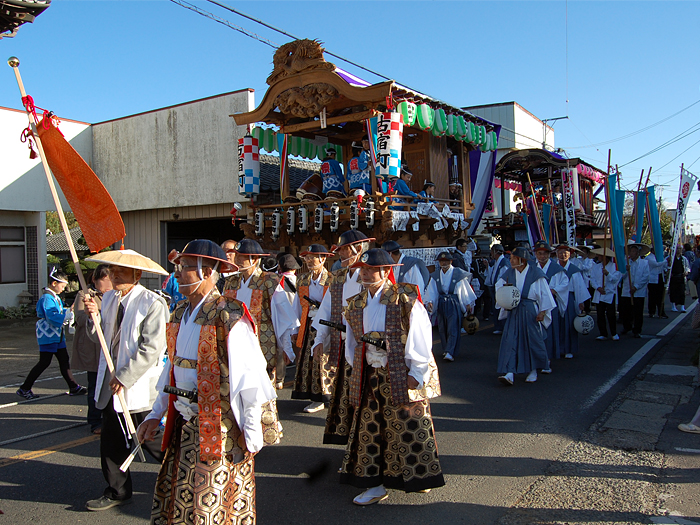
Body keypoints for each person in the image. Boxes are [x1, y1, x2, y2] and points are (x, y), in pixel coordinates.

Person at [138, 239, 276, 525]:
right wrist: (155, 413)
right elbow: (171, 370)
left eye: (185, 267)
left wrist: (251, 432)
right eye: (178, 267)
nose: (177, 273)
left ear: (207, 271)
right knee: (181, 500)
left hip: (220, 428)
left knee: (211, 504)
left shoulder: (228, 314)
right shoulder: (178, 314)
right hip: (185, 424)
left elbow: (248, 378)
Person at [340, 248, 444, 505]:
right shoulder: (355, 302)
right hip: (370, 373)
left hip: (400, 371)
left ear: (385, 271)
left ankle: (419, 477)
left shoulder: (404, 298)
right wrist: (358, 366)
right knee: (370, 428)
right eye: (362, 269)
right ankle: (374, 484)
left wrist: (416, 372)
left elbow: (420, 335)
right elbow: (351, 341)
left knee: (411, 425)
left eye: (370, 269)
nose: (364, 273)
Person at [82, 249, 170, 511]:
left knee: (150, 436)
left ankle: (182, 473)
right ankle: (117, 490)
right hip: (110, 381)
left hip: (138, 383)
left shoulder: (153, 303)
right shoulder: (109, 299)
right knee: (111, 439)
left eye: (121, 271)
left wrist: (125, 376)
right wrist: (92, 319)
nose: (114, 275)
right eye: (112, 270)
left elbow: (153, 347)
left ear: (138, 275)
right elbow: (98, 339)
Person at [311, 230, 372, 445]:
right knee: (348, 398)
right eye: (340, 250)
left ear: (358, 249)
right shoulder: (337, 277)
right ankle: (353, 447)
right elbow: (326, 310)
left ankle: (365, 446)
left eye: (346, 249)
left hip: (368, 350)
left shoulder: (371, 275)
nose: (342, 254)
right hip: (345, 345)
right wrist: (320, 338)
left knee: (367, 400)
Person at [223, 239, 300, 393]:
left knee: (261, 389)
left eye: (242, 257)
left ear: (255, 259)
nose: (238, 260)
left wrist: (286, 348)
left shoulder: (269, 281)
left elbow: (282, 316)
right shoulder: (231, 282)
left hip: (262, 341)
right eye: (237, 256)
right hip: (234, 341)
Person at [17, 268, 85, 400]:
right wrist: (67, 315)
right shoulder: (47, 298)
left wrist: (67, 313)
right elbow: (51, 316)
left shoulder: (52, 297)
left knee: (63, 360)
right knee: (44, 362)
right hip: (48, 334)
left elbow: (55, 314)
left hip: (55, 334)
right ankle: (24, 388)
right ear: (54, 283)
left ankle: (73, 386)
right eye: (63, 286)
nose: (64, 289)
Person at [495, 247, 556, 385]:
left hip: (530, 310)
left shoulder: (536, 273)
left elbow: (544, 293)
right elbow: (499, 288)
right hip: (514, 309)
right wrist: (503, 300)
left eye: (513, 258)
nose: (510, 261)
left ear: (521, 260)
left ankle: (533, 369)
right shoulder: (508, 273)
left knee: (532, 340)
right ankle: (510, 372)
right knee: (511, 339)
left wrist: (543, 311)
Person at [292, 244, 334, 413]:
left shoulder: (331, 279)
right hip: (308, 324)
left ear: (323, 259)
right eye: (307, 258)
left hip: (326, 325)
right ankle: (314, 395)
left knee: (323, 360)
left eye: (312, 257)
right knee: (307, 360)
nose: (309, 261)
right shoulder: (302, 279)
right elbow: (296, 305)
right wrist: (295, 329)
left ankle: (325, 395)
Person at [71, 264, 112, 433]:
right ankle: (95, 421)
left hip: (109, 348)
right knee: (95, 385)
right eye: (105, 278)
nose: (109, 282)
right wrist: (93, 314)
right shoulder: (85, 295)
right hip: (92, 347)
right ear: (95, 280)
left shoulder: (114, 296)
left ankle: (109, 417)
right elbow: (79, 319)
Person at [431, 251, 476, 362]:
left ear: (451, 261)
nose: (444, 263)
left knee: (453, 327)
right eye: (442, 261)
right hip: (441, 301)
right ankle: (446, 348)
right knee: (442, 328)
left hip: (453, 302)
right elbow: (432, 291)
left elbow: (464, 290)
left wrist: (467, 303)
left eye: (446, 261)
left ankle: (450, 351)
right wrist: (430, 302)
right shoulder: (436, 275)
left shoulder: (458, 274)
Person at [533, 241, 569, 366]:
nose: (542, 256)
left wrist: (554, 290)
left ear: (549, 254)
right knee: (535, 332)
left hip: (550, 303)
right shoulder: (532, 267)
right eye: (539, 253)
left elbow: (564, 284)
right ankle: (535, 358)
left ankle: (547, 358)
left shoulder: (557, 269)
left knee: (549, 331)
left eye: (545, 254)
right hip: (535, 304)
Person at [555, 244, 591, 358]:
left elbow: (579, 287)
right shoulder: (554, 267)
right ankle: (556, 348)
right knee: (556, 324)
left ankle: (569, 349)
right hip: (555, 297)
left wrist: (580, 302)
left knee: (569, 323)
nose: (562, 255)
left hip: (569, 297)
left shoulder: (574, 270)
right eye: (560, 252)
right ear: (556, 254)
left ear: (570, 254)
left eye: (565, 252)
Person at [590, 247, 622, 341]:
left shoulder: (614, 266)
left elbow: (615, 280)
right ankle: (603, 333)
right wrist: (598, 288)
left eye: (600, 255)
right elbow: (592, 279)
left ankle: (614, 332)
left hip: (609, 293)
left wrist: (608, 274)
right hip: (599, 293)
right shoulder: (596, 266)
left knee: (611, 314)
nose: (598, 257)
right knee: (600, 314)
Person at [620, 242, 651, 338]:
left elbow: (645, 277)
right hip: (627, 290)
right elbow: (621, 276)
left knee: (638, 312)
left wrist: (636, 287)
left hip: (638, 291)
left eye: (633, 251)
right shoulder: (626, 262)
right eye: (630, 251)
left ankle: (637, 330)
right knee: (625, 311)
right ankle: (627, 326)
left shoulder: (644, 263)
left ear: (637, 253)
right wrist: (625, 271)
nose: (631, 253)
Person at [485, 244, 509, 333]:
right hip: (495, 288)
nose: (491, 253)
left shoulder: (504, 262)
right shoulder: (496, 262)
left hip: (500, 289)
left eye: (492, 251)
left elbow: (503, 277)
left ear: (495, 251)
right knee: (496, 308)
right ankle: (498, 326)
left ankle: (501, 327)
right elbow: (492, 273)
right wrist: (487, 266)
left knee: (500, 308)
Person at [646, 252, 669, 319]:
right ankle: (651, 311)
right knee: (652, 296)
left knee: (660, 296)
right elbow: (656, 264)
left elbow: (664, 266)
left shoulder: (660, 256)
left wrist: (668, 263)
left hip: (660, 278)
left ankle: (661, 312)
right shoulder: (649, 257)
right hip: (652, 279)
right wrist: (665, 261)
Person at [669, 245, 690, 312]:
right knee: (673, 292)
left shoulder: (684, 259)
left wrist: (686, 272)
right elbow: (666, 267)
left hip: (681, 277)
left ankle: (682, 307)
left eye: (680, 249)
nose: (679, 250)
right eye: (677, 248)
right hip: (673, 277)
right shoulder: (671, 258)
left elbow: (687, 267)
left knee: (682, 292)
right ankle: (673, 306)